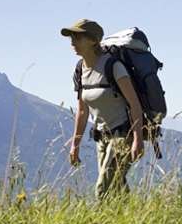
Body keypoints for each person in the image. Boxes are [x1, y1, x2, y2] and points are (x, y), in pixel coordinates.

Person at [61, 19, 144, 199]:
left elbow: (134, 104)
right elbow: (82, 111)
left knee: (103, 188)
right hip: (101, 137)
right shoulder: (79, 70)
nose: (73, 42)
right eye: (71, 38)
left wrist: (137, 138)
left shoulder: (113, 66)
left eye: (77, 37)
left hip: (123, 134)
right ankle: (135, 221)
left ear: (93, 40)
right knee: (117, 187)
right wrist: (75, 144)